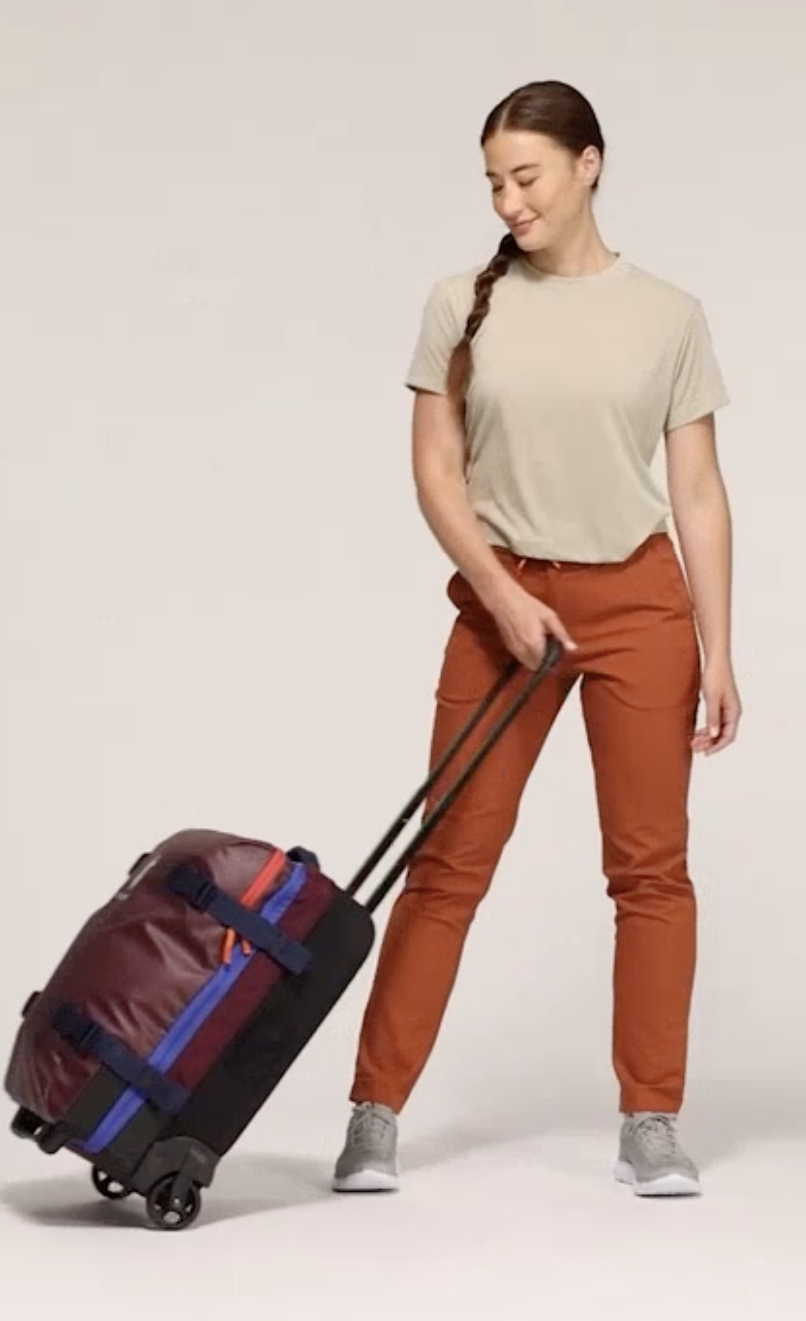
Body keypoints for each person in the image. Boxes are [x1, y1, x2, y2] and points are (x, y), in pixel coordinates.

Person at [332, 80, 741, 1199]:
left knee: (650, 871)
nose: (510, 201)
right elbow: (434, 471)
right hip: (502, 604)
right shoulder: (459, 303)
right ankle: (374, 1112)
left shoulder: (669, 315)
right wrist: (500, 596)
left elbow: (698, 492)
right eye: (494, 183)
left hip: (640, 608)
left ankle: (651, 1120)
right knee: (446, 864)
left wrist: (719, 647)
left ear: (588, 165)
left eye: (528, 176)